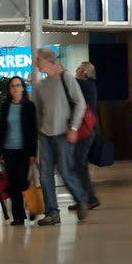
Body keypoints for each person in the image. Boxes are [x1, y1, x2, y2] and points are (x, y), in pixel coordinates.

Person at [31, 48, 93, 225]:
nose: (36, 62)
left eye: (38, 59)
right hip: (44, 135)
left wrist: (73, 127)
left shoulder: (66, 79)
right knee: (45, 176)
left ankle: (81, 198)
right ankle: (52, 212)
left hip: (63, 134)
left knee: (66, 172)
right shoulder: (40, 87)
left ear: (48, 60)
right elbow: (38, 113)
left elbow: (80, 103)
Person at [0, 76, 38, 226]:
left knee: (22, 181)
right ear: (9, 89)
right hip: (9, 149)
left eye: (18, 85)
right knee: (12, 183)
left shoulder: (29, 106)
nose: (15, 88)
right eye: (12, 86)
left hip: (24, 150)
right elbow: (1, 129)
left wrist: (33, 153)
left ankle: (31, 206)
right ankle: (18, 216)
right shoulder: (5, 106)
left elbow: (33, 131)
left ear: (23, 88)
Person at [72, 62, 102, 209]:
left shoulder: (84, 85)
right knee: (79, 164)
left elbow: (69, 83)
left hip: (84, 130)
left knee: (79, 165)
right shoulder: (89, 86)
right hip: (86, 129)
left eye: (78, 69)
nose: (76, 71)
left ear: (84, 73)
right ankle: (83, 198)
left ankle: (89, 198)